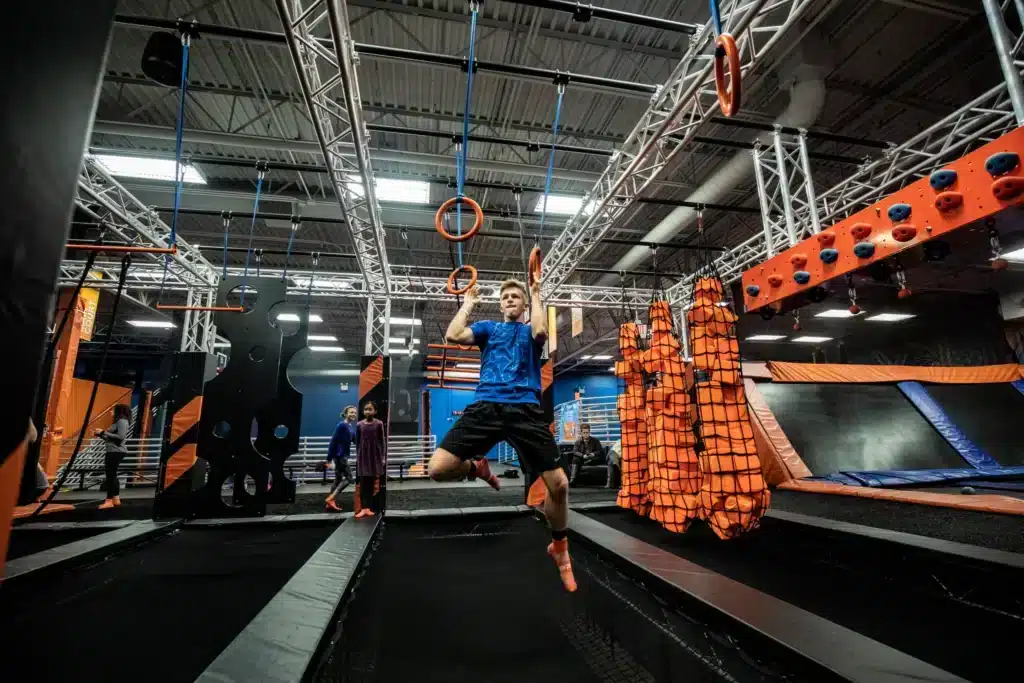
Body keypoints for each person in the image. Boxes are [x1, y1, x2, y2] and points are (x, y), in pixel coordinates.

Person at [427, 277, 576, 592]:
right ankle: (477, 468)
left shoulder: (530, 330)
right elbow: (453, 335)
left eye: (515, 297)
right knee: (437, 469)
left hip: (525, 410)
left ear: (523, 304)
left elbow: (541, 332)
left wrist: (536, 292)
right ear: (500, 304)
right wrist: (468, 304)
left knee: (560, 485)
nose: (509, 299)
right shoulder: (488, 329)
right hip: (487, 405)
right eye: (505, 296)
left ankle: (560, 548)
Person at [354, 401, 387, 518]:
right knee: (363, 483)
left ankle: (369, 507)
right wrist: (358, 456)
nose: (368, 411)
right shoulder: (359, 425)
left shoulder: (379, 424)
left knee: (372, 482)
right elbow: (357, 442)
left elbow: (382, 441)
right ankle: (363, 508)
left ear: (375, 411)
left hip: (374, 455)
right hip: (363, 456)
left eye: (370, 409)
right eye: (366, 409)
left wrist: (382, 457)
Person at [96, 404, 131, 510]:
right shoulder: (117, 422)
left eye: (112, 410)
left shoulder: (122, 421)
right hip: (112, 450)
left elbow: (121, 437)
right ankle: (116, 498)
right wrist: (100, 435)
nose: (110, 412)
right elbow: (110, 439)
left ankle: (109, 501)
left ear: (118, 411)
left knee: (110, 477)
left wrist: (103, 432)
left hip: (116, 451)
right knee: (112, 475)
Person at [324, 405, 358, 511]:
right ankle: (331, 499)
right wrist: (328, 458)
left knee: (338, 479)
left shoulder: (349, 426)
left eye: (355, 412)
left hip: (342, 456)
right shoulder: (342, 425)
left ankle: (330, 503)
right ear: (345, 413)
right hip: (340, 457)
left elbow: (355, 440)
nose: (353, 414)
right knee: (349, 479)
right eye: (351, 412)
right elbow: (333, 441)